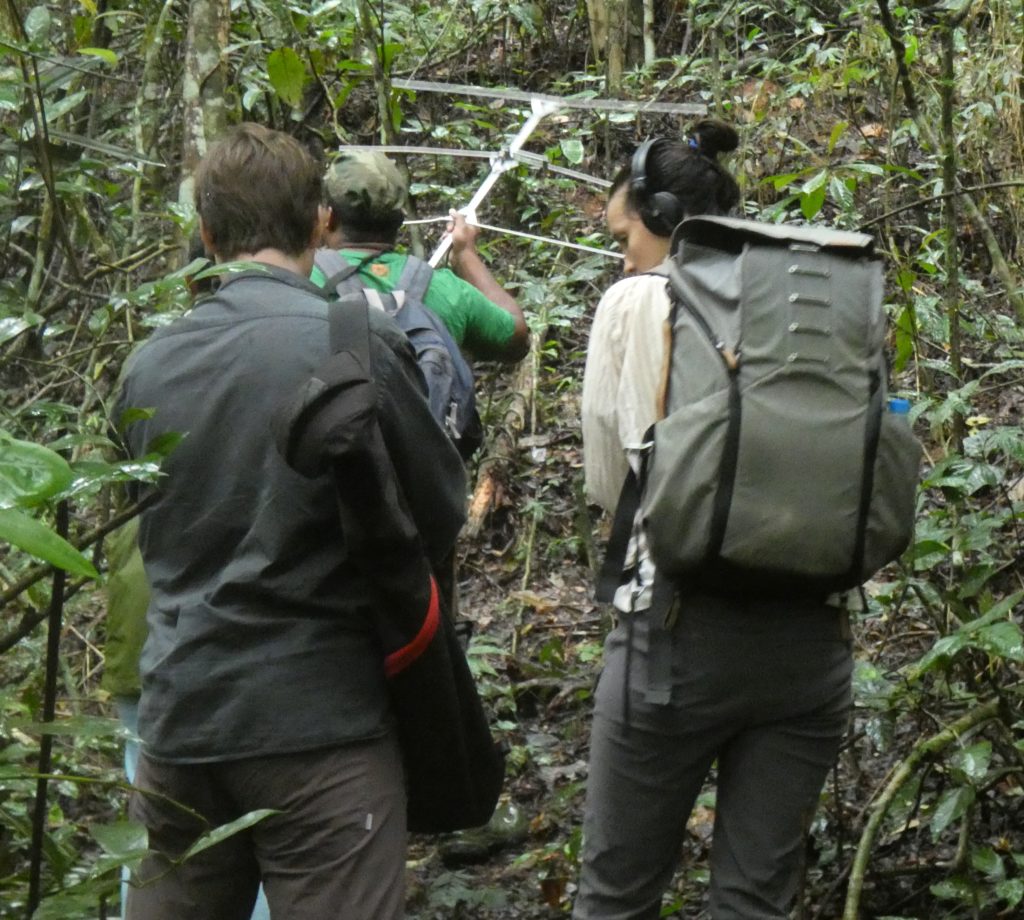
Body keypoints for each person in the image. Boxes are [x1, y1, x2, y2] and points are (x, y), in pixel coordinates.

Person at [114, 123, 466, 920]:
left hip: (179, 724)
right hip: (324, 732)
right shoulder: (357, 343)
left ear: (205, 234)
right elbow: (439, 514)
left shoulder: (148, 364)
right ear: (318, 222)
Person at [575, 121, 854, 919]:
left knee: (618, 897)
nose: (621, 252)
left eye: (624, 233)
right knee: (754, 903)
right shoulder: (807, 298)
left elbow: (609, 481)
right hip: (811, 644)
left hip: (675, 637)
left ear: (661, 219)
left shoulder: (636, 300)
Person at [313, 148, 529, 362]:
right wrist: (465, 255)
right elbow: (517, 337)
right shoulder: (446, 290)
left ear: (329, 218)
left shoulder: (302, 278)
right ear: (399, 220)